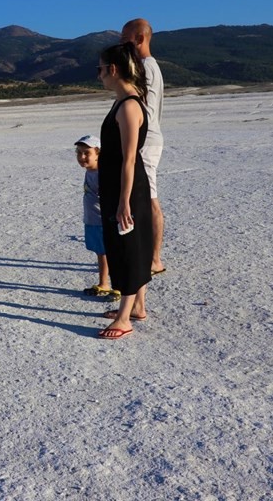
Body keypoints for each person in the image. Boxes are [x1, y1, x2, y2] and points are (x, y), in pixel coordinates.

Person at [96, 43, 154, 339]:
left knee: (127, 248)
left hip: (127, 189)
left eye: (100, 69)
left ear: (113, 70)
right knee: (130, 244)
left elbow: (129, 158)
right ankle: (137, 307)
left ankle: (123, 319)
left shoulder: (130, 105)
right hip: (118, 186)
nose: (99, 76)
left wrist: (123, 201)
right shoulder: (122, 102)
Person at [121, 19, 166, 275]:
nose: (120, 43)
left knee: (149, 200)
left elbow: (135, 106)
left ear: (139, 38)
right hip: (148, 138)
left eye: (124, 39)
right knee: (147, 198)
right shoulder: (149, 67)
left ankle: (154, 259)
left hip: (145, 140)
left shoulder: (146, 68)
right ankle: (151, 256)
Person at [74, 135, 113, 299]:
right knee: (100, 253)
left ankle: (116, 285)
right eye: (79, 153)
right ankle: (103, 283)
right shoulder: (90, 172)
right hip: (92, 220)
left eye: (87, 153)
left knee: (109, 254)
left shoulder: (102, 174)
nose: (82, 157)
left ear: (98, 154)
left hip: (103, 221)